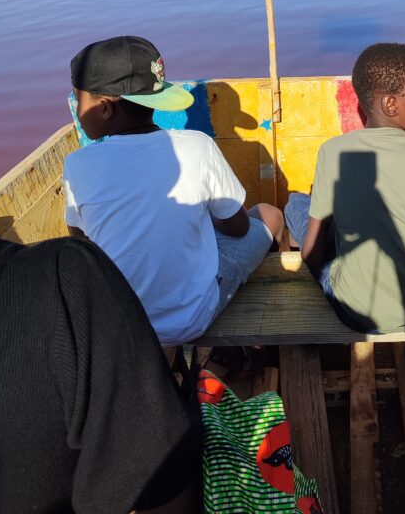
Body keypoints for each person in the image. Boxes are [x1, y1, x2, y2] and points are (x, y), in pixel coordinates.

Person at [0, 137, 202, 514]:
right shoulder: (66, 279)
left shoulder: (80, 165)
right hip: (192, 315)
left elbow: (76, 229)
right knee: (265, 220)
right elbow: (163, 482)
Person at [62, 35, 283, 346]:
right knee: (269, 214)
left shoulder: (78, 164)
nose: (75, 107)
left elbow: (81, 242)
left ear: (105, 108)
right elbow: (238, 227)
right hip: (191, 320)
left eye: (77, 98)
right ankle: (256, 334)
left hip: (119, 323)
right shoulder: (198, 145)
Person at [284, 42, 405, 361]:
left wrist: (327, 269)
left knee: (295, 204)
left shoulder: (334, 151)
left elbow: (311, 253)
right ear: (391, 104)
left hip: (357, 315)